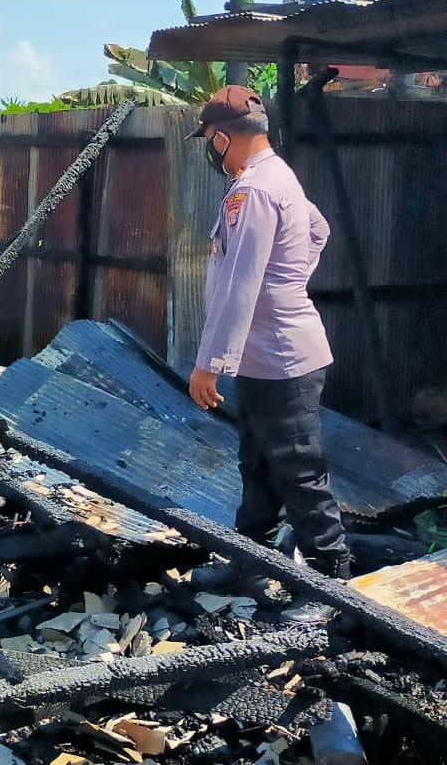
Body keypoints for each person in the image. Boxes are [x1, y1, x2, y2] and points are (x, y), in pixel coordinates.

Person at [186, 85, 350, 625]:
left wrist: (211, 362)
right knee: (258, 464)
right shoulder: (279, 176)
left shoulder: (253, 190)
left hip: (281, 359)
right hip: (268, 356)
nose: (210, 150)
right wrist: (291, 282)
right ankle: (249, 561)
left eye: (210, 140)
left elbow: (240, 283)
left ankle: (331, 581)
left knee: (298, 469)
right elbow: (318, 230)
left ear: (223, 136)